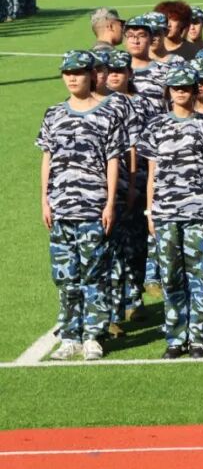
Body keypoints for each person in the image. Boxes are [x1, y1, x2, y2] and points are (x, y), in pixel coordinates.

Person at [37, 51, 124, 361]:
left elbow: (113, 160)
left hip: (93, 207)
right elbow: (47, 158)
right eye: (67, 73)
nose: (72, 78)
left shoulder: (108, 114)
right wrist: (45, 199)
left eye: (78, 73)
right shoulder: (53, 114)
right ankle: (70, 336)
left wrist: (110, 202)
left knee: (94, 274)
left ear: (91, 75)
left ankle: (93, 335)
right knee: (65, 277)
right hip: (61, 208)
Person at [139, 66, 203, 358]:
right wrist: (150, 211)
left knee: (199, 275)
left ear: (195, 90)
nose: (181, 92)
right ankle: (175, 338)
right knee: (171, 277)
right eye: (176, 88)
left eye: (186, 87)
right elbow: (151, 173)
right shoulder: (156, 126)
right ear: (169, 92)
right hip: (164, 211)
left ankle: (198, 338)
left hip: (198, 209)